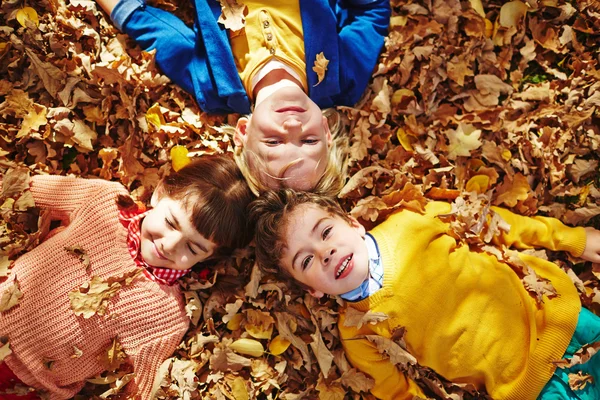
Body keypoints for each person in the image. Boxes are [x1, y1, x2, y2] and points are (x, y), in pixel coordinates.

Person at [249, 189, 600, 400]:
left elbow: (492, 222)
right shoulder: (357, 332)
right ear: (313, 290)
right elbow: (397, 391)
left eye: (325, 232)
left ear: (354, 224)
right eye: (306, 259)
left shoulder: (410, 222)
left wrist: (573, 240)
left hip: (557, 320)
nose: (324, 252)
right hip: (526, 387)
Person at [0, 154, 254, 399]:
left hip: (25, 382)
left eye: (193, 248)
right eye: (171, 222)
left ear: (208, 257)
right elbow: (22, 191)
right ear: (160, 192)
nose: (170, 245)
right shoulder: (103, 202)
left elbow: (137, 389)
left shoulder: (167, 315)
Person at [94, 0, 391, 194]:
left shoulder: (214, 87)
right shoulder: (341, 80)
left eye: (274, 142)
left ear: (244, 132)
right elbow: (372, 13)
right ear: (326, 130)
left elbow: (162, 36)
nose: (292, 127)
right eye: (309, 140)